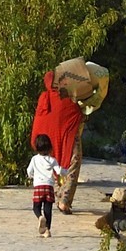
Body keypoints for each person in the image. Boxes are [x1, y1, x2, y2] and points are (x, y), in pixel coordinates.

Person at [29, 68, 83, 212]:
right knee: (72, 166)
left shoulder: (44, 98)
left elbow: (40, 121)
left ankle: (60, 195)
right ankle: (64, 201)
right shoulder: (67, 97)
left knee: (55, 169)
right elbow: (77, 113)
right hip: (68, 139)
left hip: (49, 142)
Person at [26, 133, 58, 237]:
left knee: (36, 207)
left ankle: (40, 217)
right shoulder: (52, 160)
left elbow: (29, 171)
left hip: (38, 186)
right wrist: (65, 172)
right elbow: (58, 171)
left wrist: (32, 176)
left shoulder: (34, 159)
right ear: (49, 147)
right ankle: (47, 230)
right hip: (49, 187)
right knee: (48, 209)